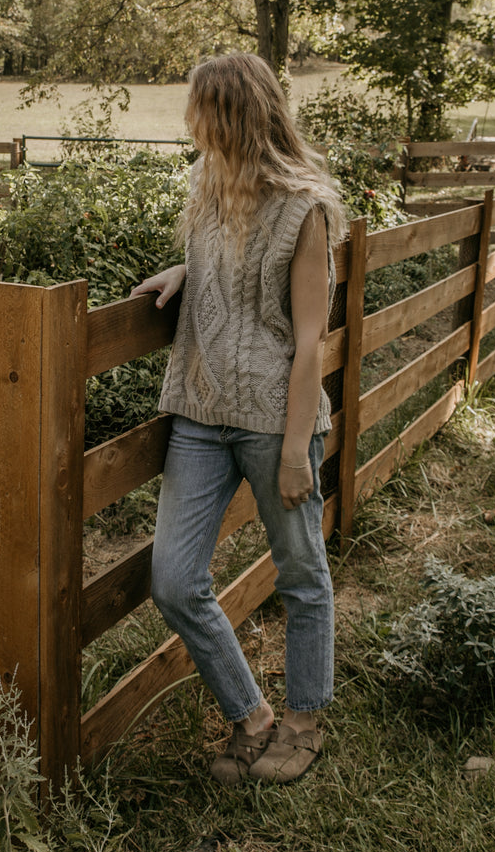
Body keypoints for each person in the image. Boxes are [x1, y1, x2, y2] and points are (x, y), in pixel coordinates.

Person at [130, 53, 346, 785]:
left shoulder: (305, 206)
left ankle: (303, 721)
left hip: (271, 419)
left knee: (300, 573)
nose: (189, 122)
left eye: (198, 109)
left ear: (229, 114)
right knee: (174, 578)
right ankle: (249, 714)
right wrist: (185, 271)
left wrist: (294, 448)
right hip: (197, 410)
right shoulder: (205, 180)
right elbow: (231, 269)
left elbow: (310, 334)